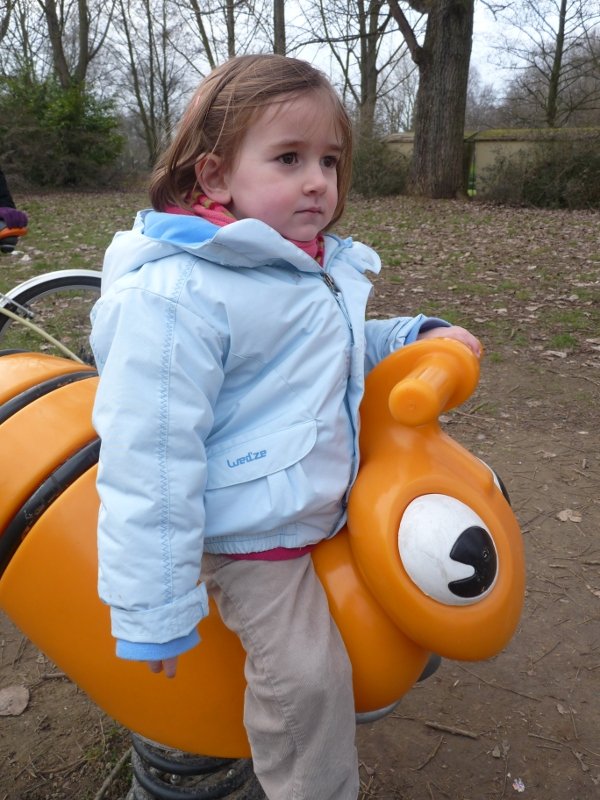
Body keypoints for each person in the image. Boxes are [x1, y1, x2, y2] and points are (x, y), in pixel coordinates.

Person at [91, 54, 481, 800]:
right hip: (251, 536)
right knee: (307, 680)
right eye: (289, 158)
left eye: (329, 161)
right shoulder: (178, 296)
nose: (318, 182)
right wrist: (155, 607)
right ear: (214, 177)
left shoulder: (303, 264)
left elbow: (331, 347)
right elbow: (151, 457)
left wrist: (410, 335)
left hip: (319, 499)